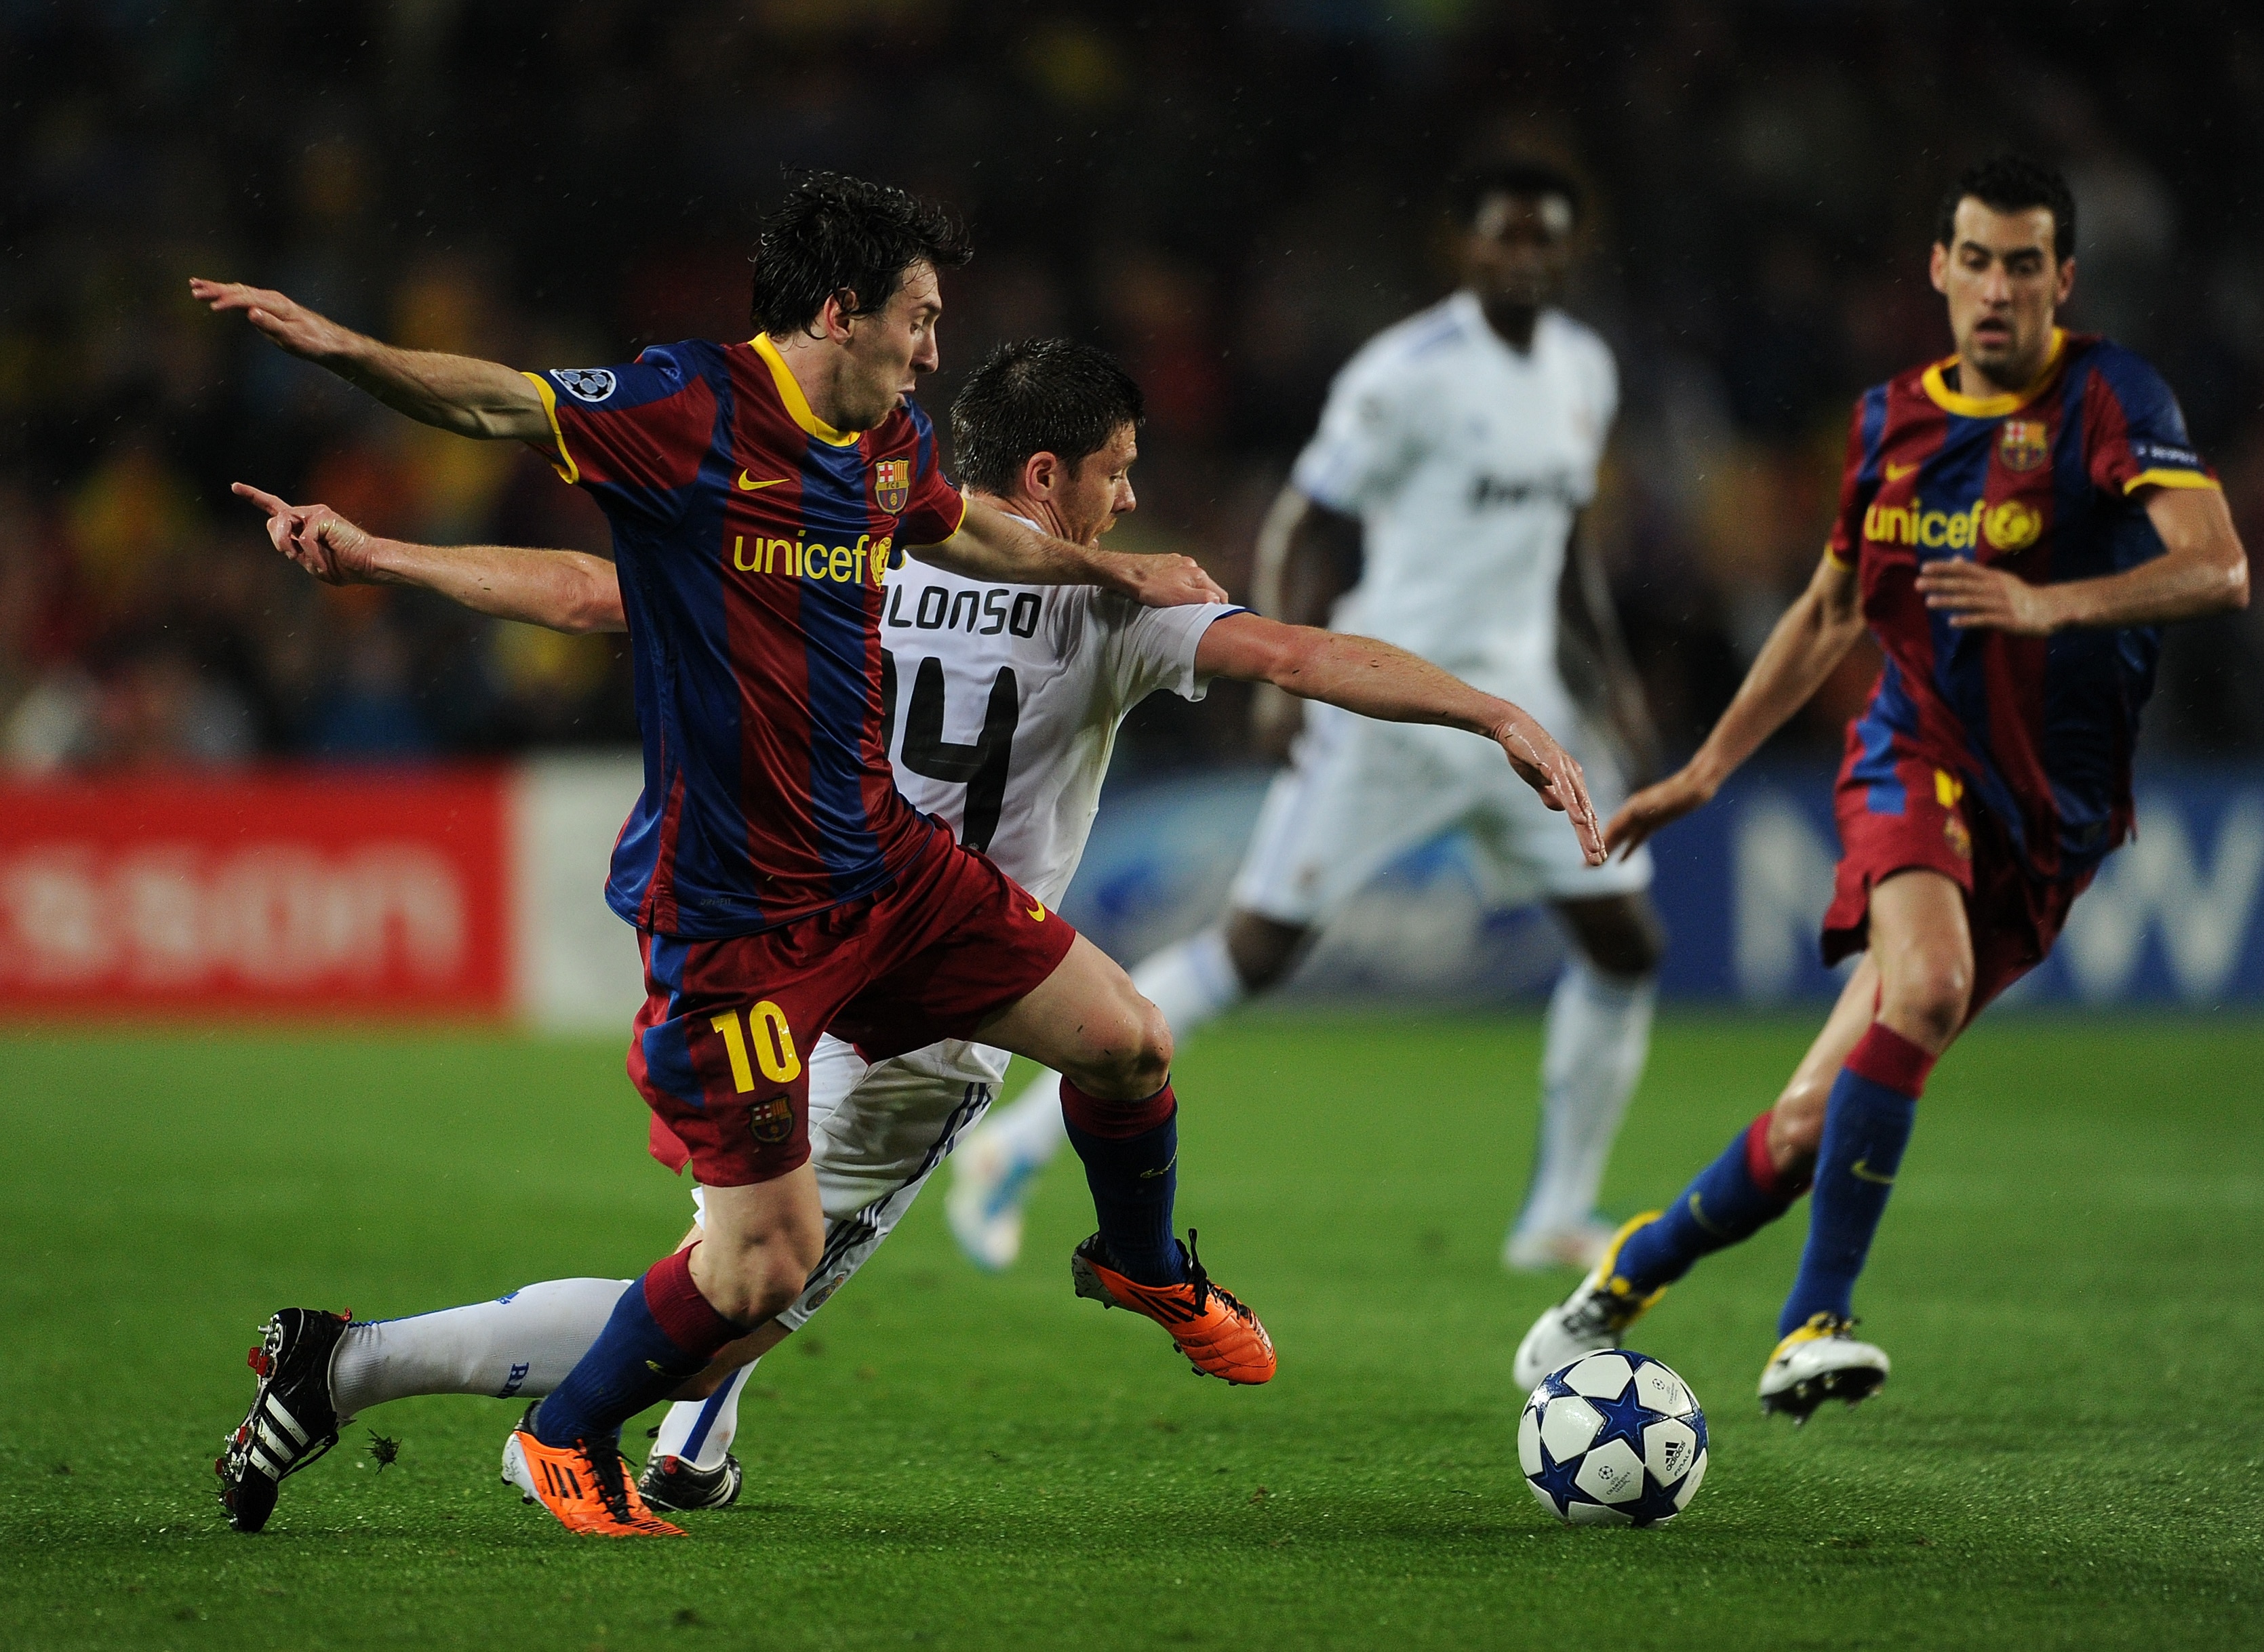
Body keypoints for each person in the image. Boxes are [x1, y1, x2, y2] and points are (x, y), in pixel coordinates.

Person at [196, 171, 1604, 1539]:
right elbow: (507, 408)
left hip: (894, 885)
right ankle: (435, 1389)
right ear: (845, 312)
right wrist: (346, 356)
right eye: (919, 318)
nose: (933, 350)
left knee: (1113, 1047)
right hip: (780, 936)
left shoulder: (889, 484)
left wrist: (393, 559)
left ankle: (811, 1383)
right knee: (742, 1284)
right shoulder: (724, 426)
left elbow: (612, 589)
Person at [1514, 154, 2248, 1420]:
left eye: (2026, 265)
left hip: (2052, 820)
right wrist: (1706, 769)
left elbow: (2219, 567)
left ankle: (1627, 1273)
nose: (2000, 289)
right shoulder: (1889, 421)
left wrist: (2051, 605)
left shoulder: (2113, 398)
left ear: (2064, 279)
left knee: (1810, 1122)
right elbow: (1829, 610)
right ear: (1941, 270)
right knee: (1930, 982)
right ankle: (1814, 1320)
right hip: (1913, 757)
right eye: (1980, 261)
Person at [950, 159, 1667, 1278]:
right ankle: (1015, 1143)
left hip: (1526, 706)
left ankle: (1556, 1211)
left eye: (1546, 238)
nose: (1525, 257)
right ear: (1465, 246)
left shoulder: (1586, 368)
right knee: (1259, 949)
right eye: (1505, 235)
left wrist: (1609, 681)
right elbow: (1301, 518)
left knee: (1625, 941)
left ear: (1572, 250)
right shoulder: (1407, 374)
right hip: (1397, 709)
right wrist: (1274, 679)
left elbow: (1564, 543)